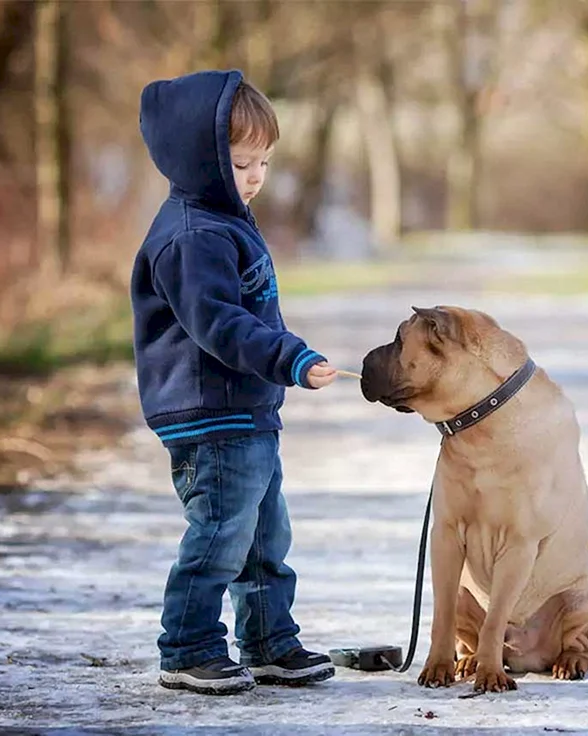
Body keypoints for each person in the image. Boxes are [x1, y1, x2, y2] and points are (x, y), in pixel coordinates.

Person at [130, 69, 338, 695]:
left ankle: (270, 640)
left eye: (264, 163)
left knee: (265, 536)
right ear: (201, 160)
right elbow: (220, 324)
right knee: (221, 536)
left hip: (246, 412)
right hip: (209, 415)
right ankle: (188, 646)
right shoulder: (192, 237)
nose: (254, 177)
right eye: (241, 162)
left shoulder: (224, 219)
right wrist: (290, 358)